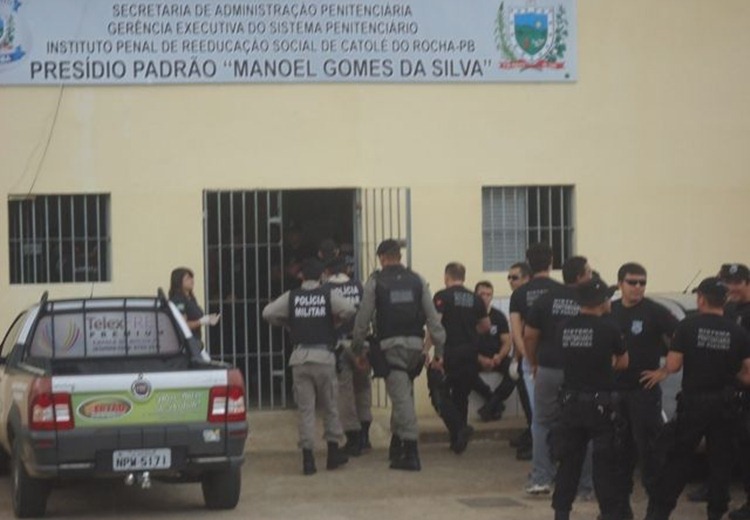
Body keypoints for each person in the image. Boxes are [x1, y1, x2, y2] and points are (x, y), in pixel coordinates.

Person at [641, 277, 750, 520]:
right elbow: (747, 374)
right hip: (726, 405)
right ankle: (716, 512)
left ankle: (659, 512)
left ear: (700, 299)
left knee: (678, 459)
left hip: (694, 403)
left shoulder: (687, 327)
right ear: (724, 301)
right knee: (720, 462)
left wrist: (665, 369)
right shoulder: (738, 332)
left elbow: (673, 365)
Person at [351, 239, 446, 471]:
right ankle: (397, 445)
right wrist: (438, 353)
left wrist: (357, 348)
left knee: (402, 399)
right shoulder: (418, 280)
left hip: (391, 347)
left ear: (382, 258)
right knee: (403, 393)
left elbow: (363, 319)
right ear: (399, 257)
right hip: (415, 347)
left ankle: (411, 452)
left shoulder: (376, 281)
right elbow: (434, 321)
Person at [262, 258, 357, 475]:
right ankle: (333, 453)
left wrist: (288, 323)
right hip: (324, 357)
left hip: (299, 358)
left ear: (301, 276)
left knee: (306, 410)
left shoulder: (292, 296)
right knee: (330, 407)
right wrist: (336, 322)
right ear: (322, 276)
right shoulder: (327, 294)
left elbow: (267, 313)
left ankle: (308, 459)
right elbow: (350, 309)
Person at [551, 277, 628, 520]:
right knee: (605, 463)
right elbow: (623, 362)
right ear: (601, 301)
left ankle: (561, 512)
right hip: (600, 406)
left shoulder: (563, 327)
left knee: (569, 463)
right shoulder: (609, 328)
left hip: (571, 403)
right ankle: (608, 513)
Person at [609, 262, 678, 519]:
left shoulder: (655, 311)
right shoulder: (610, 310)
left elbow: (681, 339)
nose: (638, 287)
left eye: (642, 283)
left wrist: (664, 370)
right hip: (614, 393)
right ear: (620, 284)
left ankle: (656, 511)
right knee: (618, 455)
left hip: (643, 393)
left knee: (651, 455)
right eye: (632, 282)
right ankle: (619, 510)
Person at [524, 255, 594, 497]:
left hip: (549, 368)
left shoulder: (546, 299)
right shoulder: (591, 300)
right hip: (583, 371)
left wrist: (534, 362)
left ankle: (541, 478)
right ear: (580, 276)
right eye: (589, 272)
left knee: (542, 423)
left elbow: (529, 336)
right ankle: (586, 485)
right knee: (587, 426)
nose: (591, 276)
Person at [509, 245, 562, 461]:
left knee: (537, 412)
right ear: (551, 262)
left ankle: (542, 456)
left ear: (528, 264)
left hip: (532, 359)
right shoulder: (563, 290)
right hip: (560, 358)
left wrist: (528, 359)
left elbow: (517, 332)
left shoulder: (519, 294)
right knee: (561, 408)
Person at [431, 263, 490, 454]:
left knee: (439, 394)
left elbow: (436, 327)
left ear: (446, 277)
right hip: (470, 353)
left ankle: (459, 429)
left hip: (450, 352)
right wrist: (470, 332)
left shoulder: (442, 296)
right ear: (463, 277)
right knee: (461, 395)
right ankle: (458, 440)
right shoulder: (476, 299)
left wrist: (432, 353)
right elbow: (486, 326)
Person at [324, 256, 373, 456]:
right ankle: (365, 436)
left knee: (345, 392)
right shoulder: (360, 286)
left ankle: (353, 439)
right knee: (363, 389)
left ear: (327, 272)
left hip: (340, 345)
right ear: (347, 270)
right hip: (362, 343)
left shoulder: (326, 290)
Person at [719, 263, 750, 520]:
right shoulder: (728, 309)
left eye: (737, 282)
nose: (731, 287)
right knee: (729, 445)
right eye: (727, 283)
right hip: (730, 388)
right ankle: (716, 489)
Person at [473, 280, 514, 422]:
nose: (485, 297)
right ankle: (494, 402)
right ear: (475, 295)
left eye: (488, 294)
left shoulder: (498, 316)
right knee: (462, 369)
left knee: (516, 371)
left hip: (497, 357)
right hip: (475, 358)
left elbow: (507, 342)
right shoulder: (468, 316)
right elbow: (465, 344)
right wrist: (480, 359)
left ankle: (491, 404)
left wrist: (499, 356)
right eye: (482, 294)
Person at [168, 267, 220, 344]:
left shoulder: (190, 298)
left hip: (195, 341)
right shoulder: (178, 300)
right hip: (186, 344)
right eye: (188, 278)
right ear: (178, 282)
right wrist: (202, 321)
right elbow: (182, 324)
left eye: (191, 278)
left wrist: (209, 319)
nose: (192, 280)